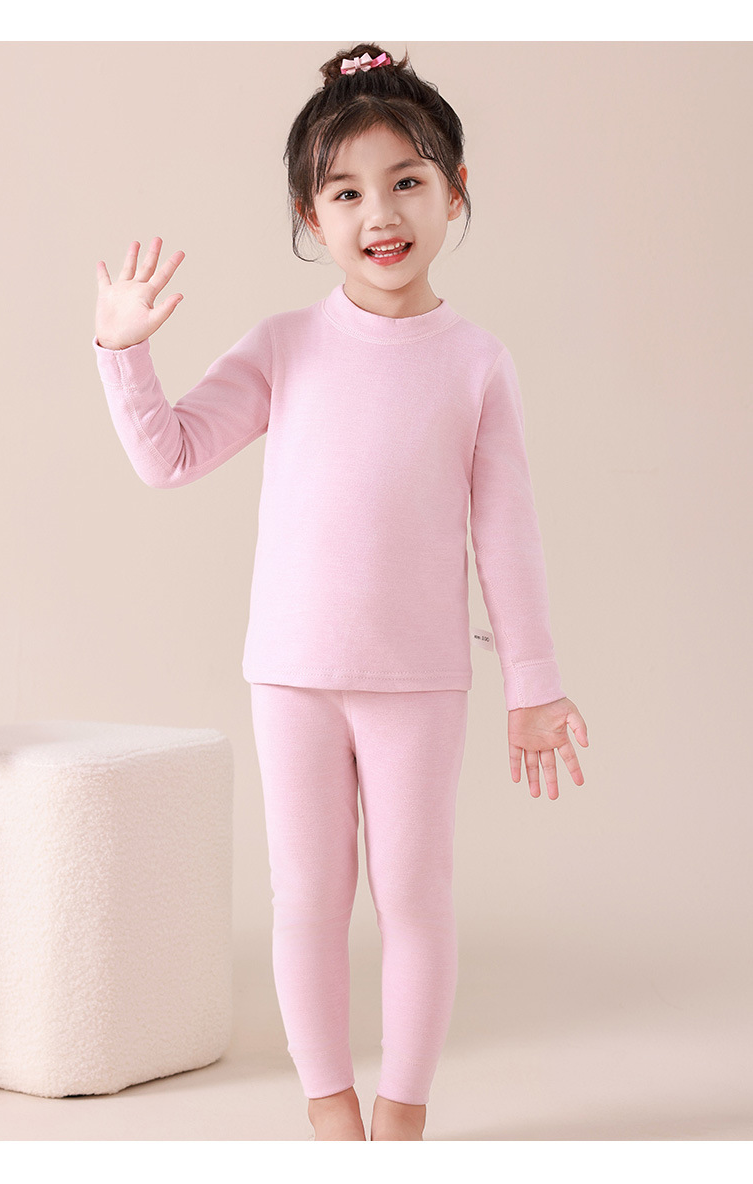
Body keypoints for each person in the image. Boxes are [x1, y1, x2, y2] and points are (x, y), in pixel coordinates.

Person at [92, 42, 589, 1141]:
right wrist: (122, 354)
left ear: (455, 190)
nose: (381, 213)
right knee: (308, 900)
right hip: (293, 675)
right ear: (308, 215)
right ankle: (330, 1113)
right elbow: (170, 455)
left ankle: (401, 1117)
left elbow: (508, 537)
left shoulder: (477, 363)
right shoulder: (285, 346)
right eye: (346, 191)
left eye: (406, 180)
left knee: (413, 899)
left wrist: (535, 683)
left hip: (420, 680)